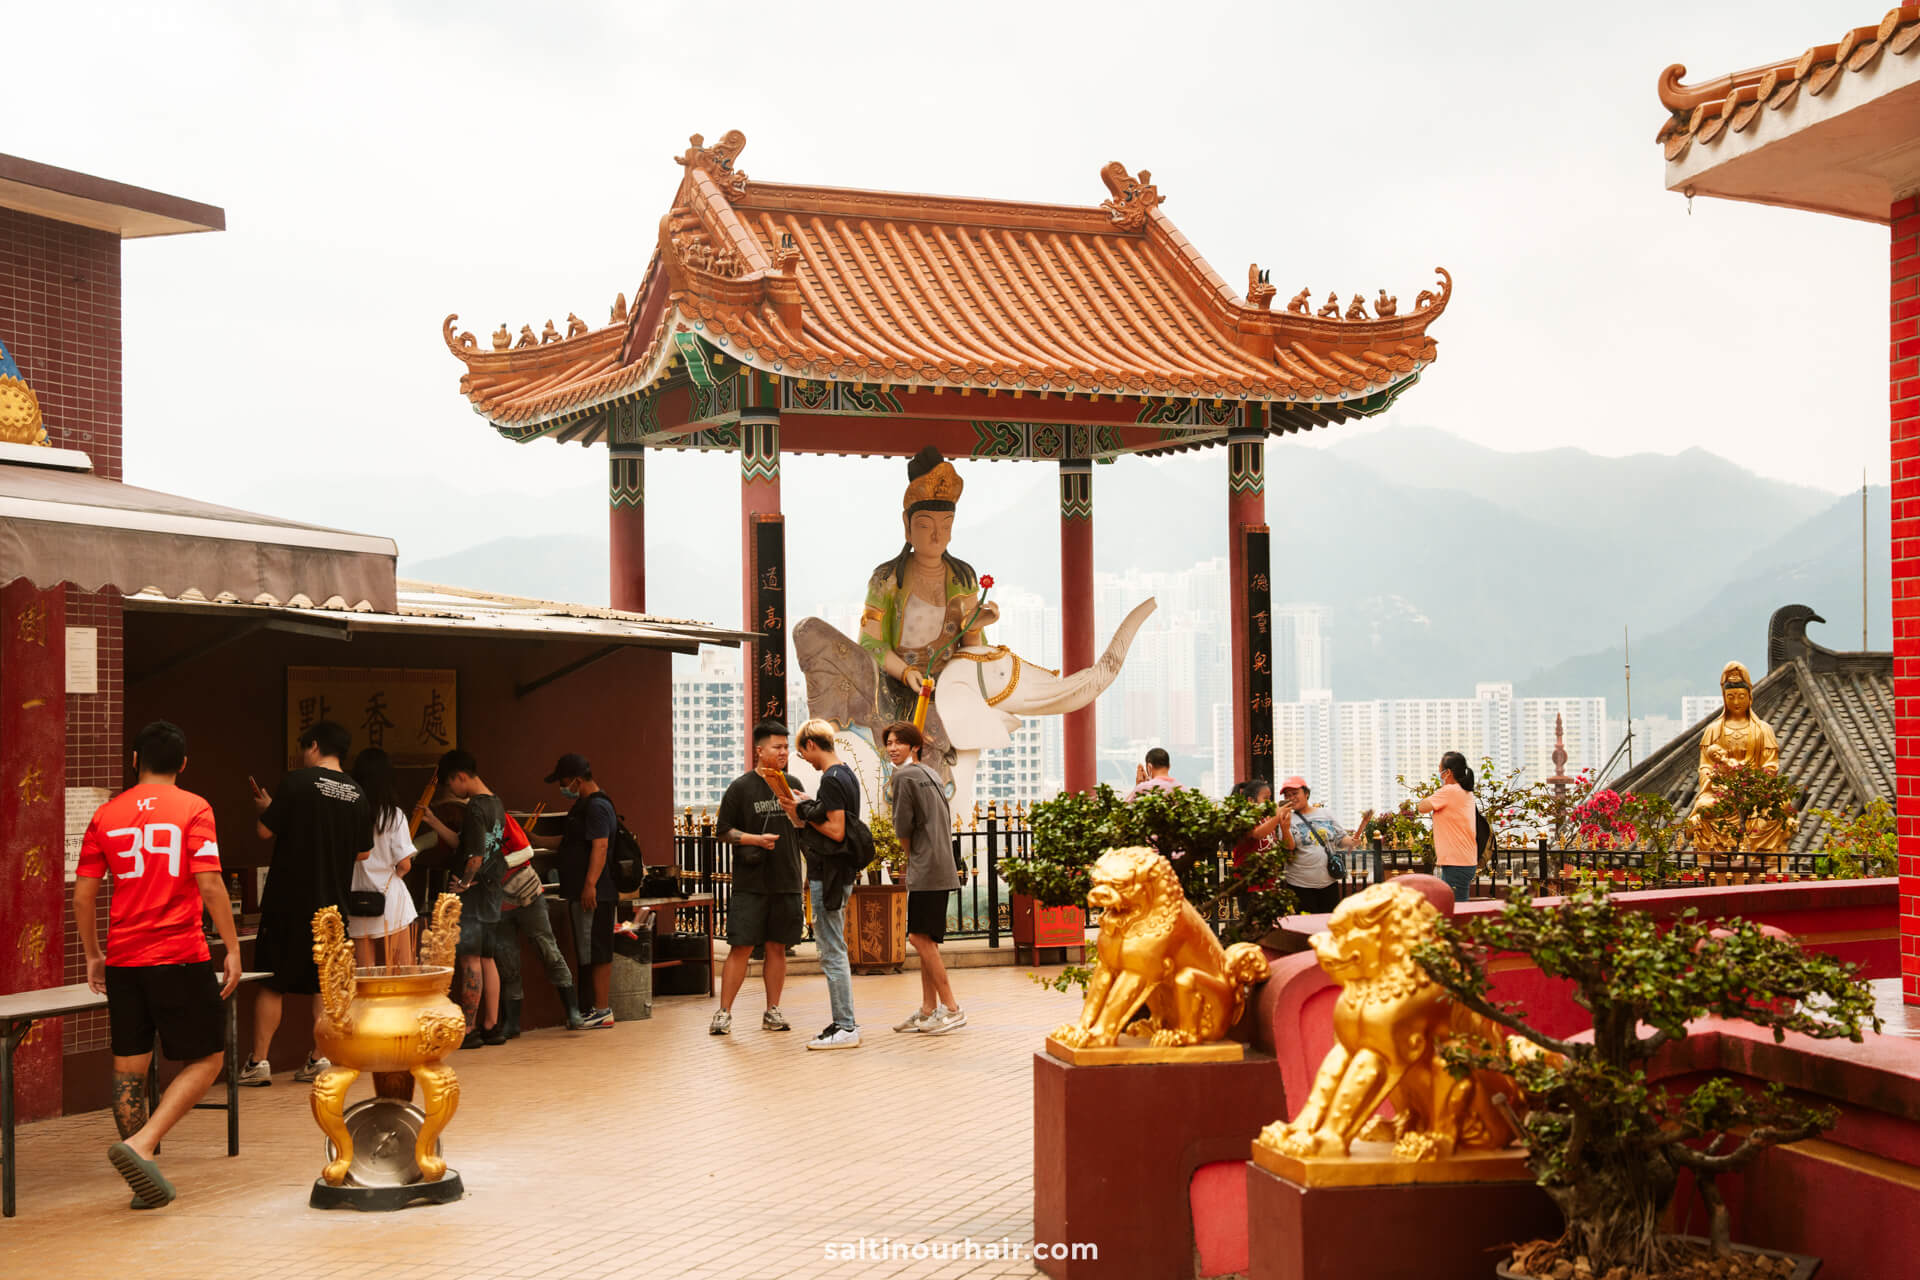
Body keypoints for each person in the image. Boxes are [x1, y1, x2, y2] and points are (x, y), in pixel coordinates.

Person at [74, 720, 242, 1209]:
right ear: (183, 764)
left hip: (124, 957)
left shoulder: (106, 814)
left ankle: (142, 1175)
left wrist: (92, 954)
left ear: (133, 761)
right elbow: (210, 882)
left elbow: (83, 895)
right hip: (179, 954)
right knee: (209, 1057)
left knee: (130, 1067)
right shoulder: (194, 807)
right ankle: (141, 1146)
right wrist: (231, 947)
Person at [240, 720, 373, 1086]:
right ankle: (319, 1057)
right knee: (323, 985)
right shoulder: (357, 794)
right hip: (332, 904)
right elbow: (363, 852)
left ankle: (258, 1063)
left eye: (305, 747)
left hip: (287, 900)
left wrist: (268, 808)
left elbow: (266, 829)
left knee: (272, 982)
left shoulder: (297, 782)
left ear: (314, 746)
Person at [709, 721, 805, 1035]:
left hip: (786, 878)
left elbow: (803, 826)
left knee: (778, 947)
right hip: (751, 882)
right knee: (741, 947)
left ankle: (772, 1011)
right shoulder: (741, 787)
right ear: (759, 750)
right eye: (777, 747)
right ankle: (723, 1013)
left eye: (785, 747)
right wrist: (755, 839)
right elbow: (722, 830)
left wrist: (799, 809)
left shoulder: (791, 783)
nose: (783, 753)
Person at [778, 718, 861, 1050]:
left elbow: (836, 830)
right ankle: (843, 1022)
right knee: (832, 947)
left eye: (803, 753)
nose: (805, 760)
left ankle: (846, 1025)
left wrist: (802, 810)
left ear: (812, 745)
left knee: (831, 951)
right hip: (837, 873)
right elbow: (832, 819)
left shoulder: (831, 779)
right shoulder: (845, 775)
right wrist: (808, 806)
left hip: (828, 873)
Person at [416, 750, 508, 1047]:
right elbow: (463, 843)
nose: (451, 791)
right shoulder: (495, 803)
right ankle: (492, 1025)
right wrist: (433, 821)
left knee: (470, 958)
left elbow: (475, 856)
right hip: (493, 891)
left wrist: (465, 882)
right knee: (487, 957)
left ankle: (469, 1029)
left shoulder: (475, 809)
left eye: (450, 785)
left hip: (475, 892)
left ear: (460, 776)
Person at [884, 721, 964, 1035]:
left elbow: (903, 829)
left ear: (914, 746)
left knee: (918, 938)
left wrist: (911, 857)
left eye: (898, 742)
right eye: (889, 742)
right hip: (943, 865)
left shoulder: (903, 777)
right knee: (927, 940)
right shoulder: (930, 772)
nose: (892, 748)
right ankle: (929, 1009)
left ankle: (952, 1008)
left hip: (926, 867)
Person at [528, 752, 617, 1030]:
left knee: (598, 949)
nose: (562, 788)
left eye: (564, 781)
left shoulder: (597, 807)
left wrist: (590, 884)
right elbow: (567, 842)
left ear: (577, 780)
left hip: (596, 893)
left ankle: (602, 1009)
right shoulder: (581, 806)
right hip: (581, 891)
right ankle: (592, 1007)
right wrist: (531, 840)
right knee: (586, 950)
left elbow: (600, 846)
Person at [489, 808, 586, 1035]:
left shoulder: (501, 819)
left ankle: (573, 1010)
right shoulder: (473, 826)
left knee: (548, 950)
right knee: (507, 962)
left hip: (528, 895)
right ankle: (511, 1023)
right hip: (499, 903)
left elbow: (525, 851)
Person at [346, 748, 417, 968]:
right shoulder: (394, 815)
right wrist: (395, 875)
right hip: (391, 901)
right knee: (401, 972)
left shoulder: (348, 813)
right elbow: (404, 863)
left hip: (356, 901)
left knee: (364, 979)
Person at [1273, 776, 1371, 914]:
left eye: (1295, 793)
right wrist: (1284, 827)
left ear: (1306, 794)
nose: (1291, 798)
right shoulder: (1288, 818)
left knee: (1328, 923)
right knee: (1306, 927)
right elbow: (1289, 847)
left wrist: (1352, 841)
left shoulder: (1325, 814)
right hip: (1300, 885)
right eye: (1287, 795)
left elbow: (1341, 839)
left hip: (1328, 883)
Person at [1419, 752, 1479, 903]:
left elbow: (1422, 807)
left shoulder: (1450, 791)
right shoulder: (1465, 791)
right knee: (1455, 905)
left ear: (1448, 772)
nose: (1439, 773)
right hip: (1463, 861)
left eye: (1440, 770)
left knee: (1454, 908)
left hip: (1456, 863)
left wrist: (1440, 789)